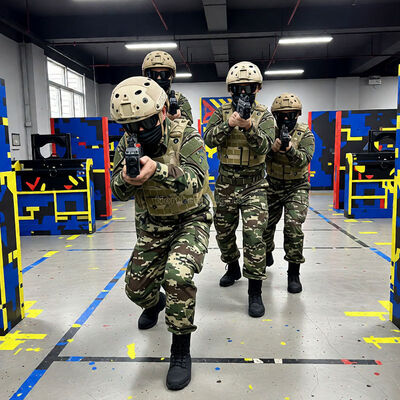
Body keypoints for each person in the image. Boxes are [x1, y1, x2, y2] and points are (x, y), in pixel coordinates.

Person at [110, 76, 212, 390]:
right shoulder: (125, 144)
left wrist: (158, 170)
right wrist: (127, 180)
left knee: (178, 276)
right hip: (154, 223)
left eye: (145, 123)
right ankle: (156, 304)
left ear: (163, 112)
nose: (139, 132)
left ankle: (180, 349)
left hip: (191, 219)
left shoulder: (186, 135)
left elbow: (197, 180)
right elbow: (117, 191)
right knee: (135, 290)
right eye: (130, 127)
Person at [203, 61, 275, 318]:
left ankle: (255, 291)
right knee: (223, 233)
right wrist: (229, 124)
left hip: (254, 184)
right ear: (230, 90)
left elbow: (266, 147)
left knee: (255, 237)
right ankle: (232, 266)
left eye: (249, 88)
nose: (243, 93)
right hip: (226, 184)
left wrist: (249, 127)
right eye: (237, 88)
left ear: (257, 89)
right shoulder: (221, 112)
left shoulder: (265, 115)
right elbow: (208, 139)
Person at [263, 93, 315, 293]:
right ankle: (267, 251)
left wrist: (290, 150)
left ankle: (294, 272)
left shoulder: (305, 134)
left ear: (298, 114)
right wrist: (272, 149)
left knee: (293, 227)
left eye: (291, 114)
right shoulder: (269, 132)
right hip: (273, 185)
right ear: (275, 116)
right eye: (281, 115)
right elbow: (258, 155)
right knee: (264, 225)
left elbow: (304, 160)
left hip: (297, 186)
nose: (286, 119)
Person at [142, 50, 193, 125]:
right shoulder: (137, 98)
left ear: (171, 76)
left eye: (164, 74)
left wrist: (176, 119)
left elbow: (188, 125)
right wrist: (166, 119)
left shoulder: (178, 99)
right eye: (153, 74)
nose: (159, 78)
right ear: (146, 76)